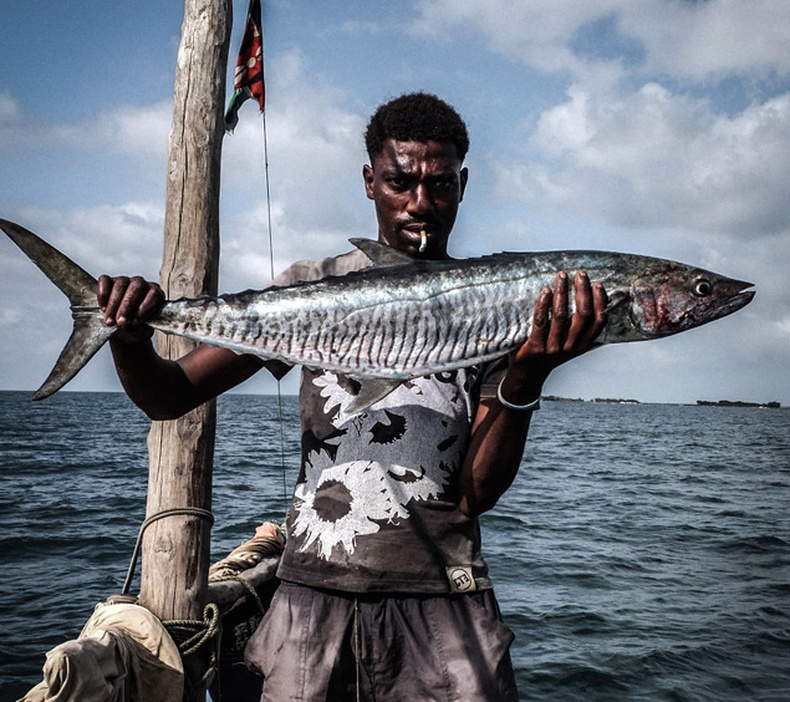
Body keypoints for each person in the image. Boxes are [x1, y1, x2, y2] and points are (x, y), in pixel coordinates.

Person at [99, 92, 608, 701]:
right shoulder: (312, 288)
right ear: (370, 181)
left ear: (463, 185)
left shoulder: (505, 310)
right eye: (400, 182)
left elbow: (476, 495)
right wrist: (128, 337)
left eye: (440, 185)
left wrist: (527, 379)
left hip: (443, 599)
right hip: (312, 596)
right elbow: (168, 395)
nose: (421, 204)